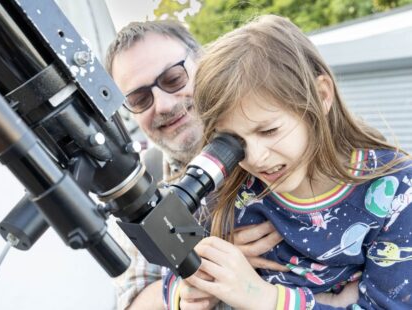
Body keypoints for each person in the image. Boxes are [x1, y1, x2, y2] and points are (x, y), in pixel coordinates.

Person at [163, 15, 412, 309]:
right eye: (233, 141)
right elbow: (176, 274)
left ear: (320, 96)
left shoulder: (394, 190)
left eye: (268, 130)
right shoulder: (229, 185)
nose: (255, 158)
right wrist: (188, 294)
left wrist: (264, 297)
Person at [105, 20, 285, 309]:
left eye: (173, 79)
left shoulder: (280, 137)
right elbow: (132, 302)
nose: (162, 105)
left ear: (204, 61)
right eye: (140, 99)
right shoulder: (140, 188)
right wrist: (204, 267)